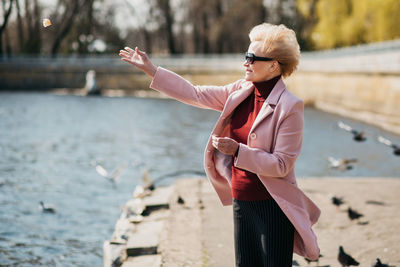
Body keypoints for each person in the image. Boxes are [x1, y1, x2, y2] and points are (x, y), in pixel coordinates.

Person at [119, 22, 320, 267]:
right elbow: (195, 93)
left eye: (251, 57)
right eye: (245, 56)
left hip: (274, 205)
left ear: (273, 65)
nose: (245, 62)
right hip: (241, 201)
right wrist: (152, 70)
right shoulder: (239, 90)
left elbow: (281, 165)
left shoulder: (290, 106)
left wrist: (238, 151)